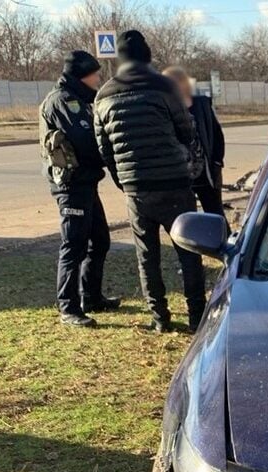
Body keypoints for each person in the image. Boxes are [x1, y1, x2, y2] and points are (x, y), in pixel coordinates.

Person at [94, 31, 206, 333]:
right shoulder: (164, 86)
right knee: (190, 250)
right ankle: (197, 316)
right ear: (148, 55)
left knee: (147, 256)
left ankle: (160, 319)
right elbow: (186, 130)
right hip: (174, 183)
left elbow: (104, 148)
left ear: (120, 59)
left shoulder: (103, 94)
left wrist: (123, 181)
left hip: (136, 187)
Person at [39, 50, 119, 327]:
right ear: (83, 74)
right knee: (74, 245)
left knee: (100, 240)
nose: (99, 78)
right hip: (71, 185)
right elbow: (87, 142)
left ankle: (92, 297)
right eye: (95, 73)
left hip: (86, 182)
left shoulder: (81, 100)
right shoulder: (63, 102)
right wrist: (111, 153)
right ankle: (69, 307)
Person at [163, 66, 226, 217]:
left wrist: (217, 162)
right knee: (188, 218)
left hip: (206, 174)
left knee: (216, 214)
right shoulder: (165, 108)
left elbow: (217, 135)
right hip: (182, 177)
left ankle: (224, 239)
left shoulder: (201, 104)